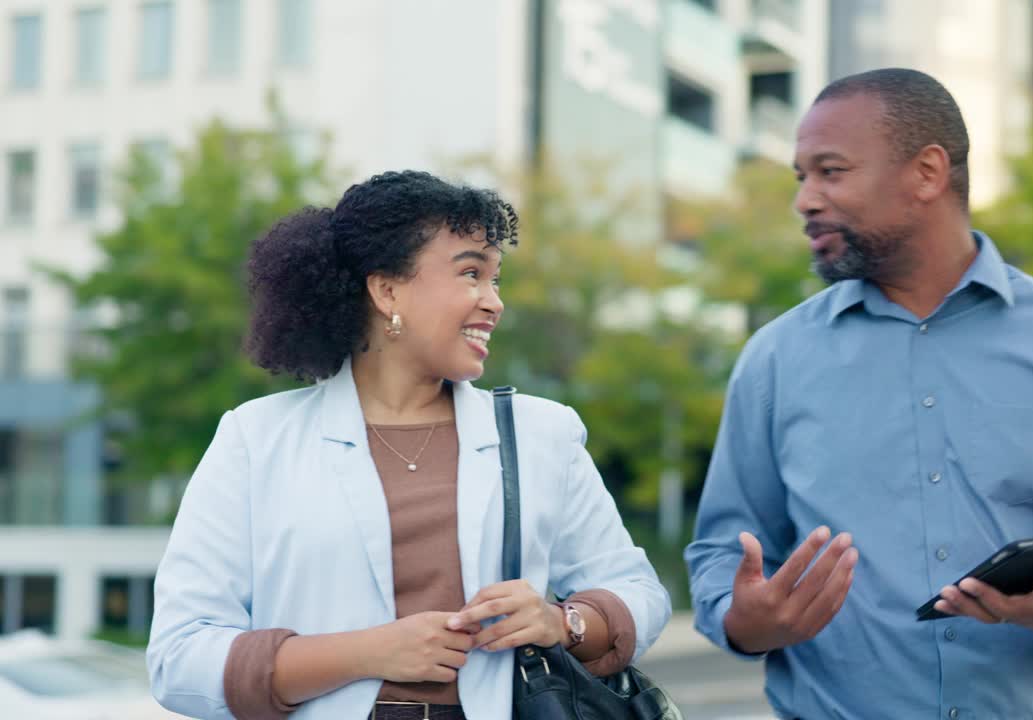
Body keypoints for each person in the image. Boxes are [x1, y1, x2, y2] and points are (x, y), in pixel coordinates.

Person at [685, 68, 1033, 719]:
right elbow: (722, 556)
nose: (805, 200)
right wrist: (746, 621)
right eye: (801, 177)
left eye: (830, 172)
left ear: (927, 172)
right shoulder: (775, 360)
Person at [147, 170, 671, 720]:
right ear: (387, 290)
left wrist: (563, 623)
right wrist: (366, 653)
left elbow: (638, 591)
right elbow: (180, 657)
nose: (494, 302)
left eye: (496, 280)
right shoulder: (255, 439)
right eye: (471, 273)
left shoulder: (544, 433)